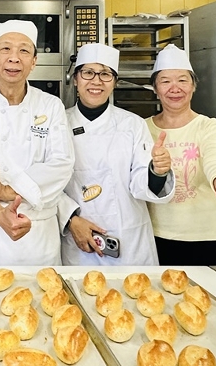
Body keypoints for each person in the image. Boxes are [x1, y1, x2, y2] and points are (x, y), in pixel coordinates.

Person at [0, 20, 75, 265]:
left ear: (34, 61)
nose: (14, 58)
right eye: (6, 48)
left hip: (38, 237)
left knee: (44, 290)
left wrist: (5, 190)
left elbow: (61, 164)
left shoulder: (51, 105)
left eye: (24, 50)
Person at [58, 44, 173, 266]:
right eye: (88, 73)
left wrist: (157, 172)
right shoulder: (58, 123)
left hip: (129, 240)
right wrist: (70, 219)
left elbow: (141, 183)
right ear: (76, 79)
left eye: (105, 74)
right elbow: (48, 185)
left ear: (115, 82)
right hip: (78, 242)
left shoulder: (133, 125)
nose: (96, 81)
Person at [144, 45, 216, 265]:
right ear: (155, 88)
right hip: (156, 234)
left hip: (209, 236)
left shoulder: (209, 127)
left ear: (193, 86)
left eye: (182, 80)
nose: (175, 88)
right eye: (165, 81)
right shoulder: (141, 129)